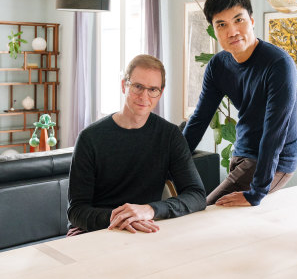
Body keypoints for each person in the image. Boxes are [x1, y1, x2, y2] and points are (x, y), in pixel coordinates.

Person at [183, 0, 297, 207]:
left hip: (275, 161)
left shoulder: (278, 64)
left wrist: (256, 193)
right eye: (222, 25)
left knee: (206, 210)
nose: (233, 31)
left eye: (239, 20)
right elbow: (199, 119)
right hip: (242, 153)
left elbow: (274, 132)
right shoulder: (218, 65)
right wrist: (173, 163)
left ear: (252, 20)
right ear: (214, 30)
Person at [67, 54, 206, 235]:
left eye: (153, 89)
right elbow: (76, 210)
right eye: (138, 87)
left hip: (145, 227)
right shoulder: (89, 138)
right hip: (97, 229)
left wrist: (150, 209)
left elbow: (197, 195)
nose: (144, 96)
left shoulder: (170, 135)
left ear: (160, 93)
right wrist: (124, 218)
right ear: (124, 86)